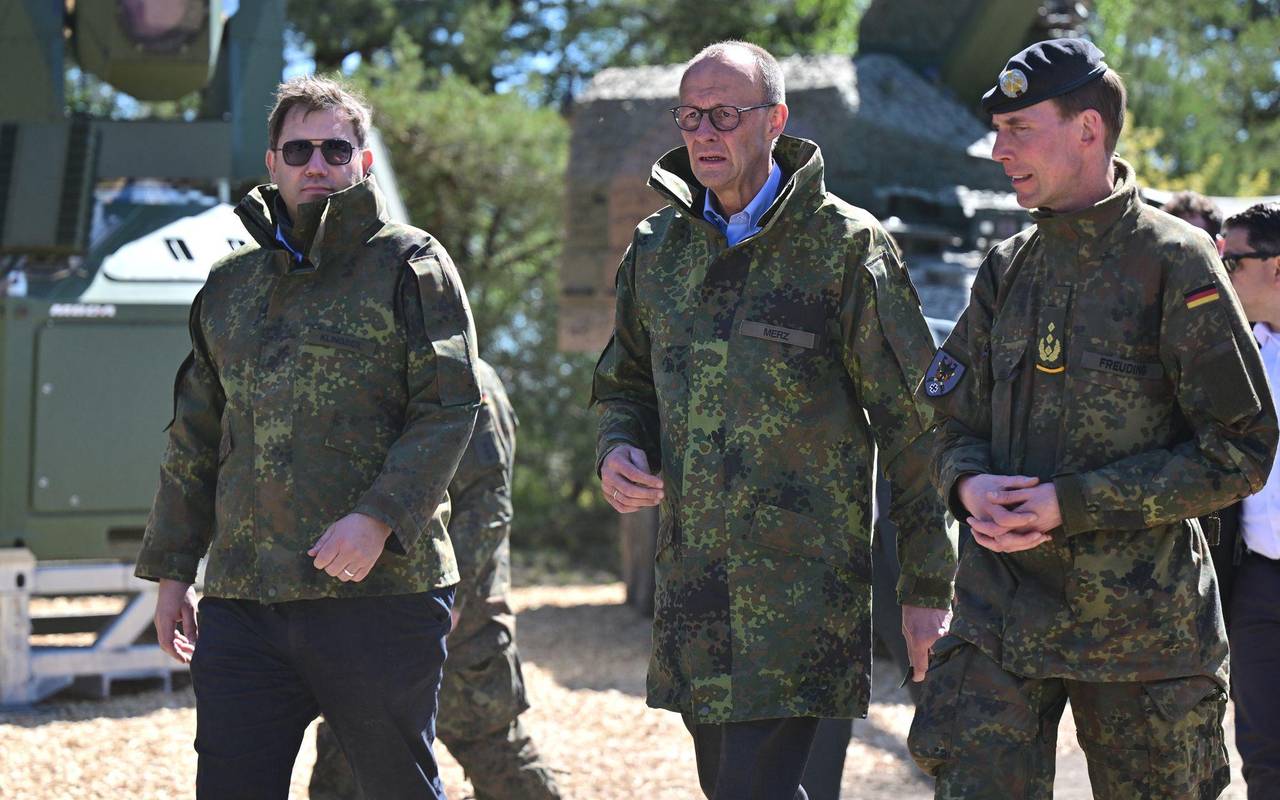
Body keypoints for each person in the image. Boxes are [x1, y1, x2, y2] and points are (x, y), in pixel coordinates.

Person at [907, 39, 1278, 799]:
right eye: (997, 131)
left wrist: (1069, 504)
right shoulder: (1007, 268)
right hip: (1000, 621)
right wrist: (967, 485)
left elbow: (1240, 449)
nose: (999, 150)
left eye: (1019, 129)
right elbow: (946, 422)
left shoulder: (1177, 262)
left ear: (1088, 130)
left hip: (1139, 633)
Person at [591, 40, 956, 800]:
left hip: (801, 601)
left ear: (775, 120)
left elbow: (915, 429)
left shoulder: (845, 246)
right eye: (690, 116)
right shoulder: (658, 249)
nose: (704, 133)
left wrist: (926, 587)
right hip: (695, 598)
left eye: (725, 114)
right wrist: (618, 447)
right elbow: (625, 384)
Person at [134, 75, 481, 800]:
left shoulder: (409, 263)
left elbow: (449, 407)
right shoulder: (230, 285)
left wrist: (377, 517)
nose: (316, 164)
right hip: (244, 601)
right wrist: (173, 573)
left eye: (335, 149)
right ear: (273, 163)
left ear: (363, 161)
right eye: (299, 150)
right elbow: (195, 437)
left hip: (378, 596)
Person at [310, 358, 563, 800]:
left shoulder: (464, 375)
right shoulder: (386, 365)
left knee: (493, 752)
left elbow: (487, 504)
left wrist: (454, 599)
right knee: (346, 755)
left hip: (457, 615)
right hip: (375, 606)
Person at [1220, 202, 1280, 798]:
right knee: (1263, 755)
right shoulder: (1237, 354)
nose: (1221, 273)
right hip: (1259, 582)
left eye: (1232, 262)